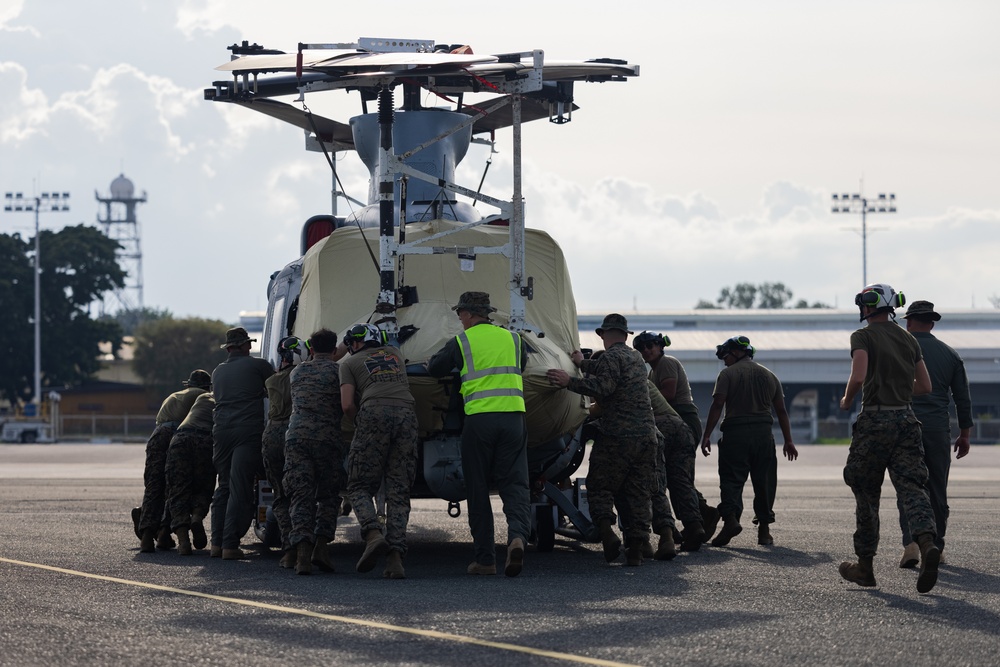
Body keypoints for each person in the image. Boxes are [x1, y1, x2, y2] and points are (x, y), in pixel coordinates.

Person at [837, 284, 939, 593]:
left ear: (868, 307)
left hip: (876, 420)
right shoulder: (907, 338)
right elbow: (925, 386)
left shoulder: (863, 336)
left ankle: (866, 567)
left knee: (866, 491)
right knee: (912, 487)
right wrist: (897, 389)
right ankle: (926, 543)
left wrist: (846, 400)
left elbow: (858, 375)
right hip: (907, 419)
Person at [427, 291, 529, 577]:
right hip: (514, 418)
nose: (459, 319)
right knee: (516, 484)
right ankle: (518, 537)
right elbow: (522, 366)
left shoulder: (462, 341)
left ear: (471, 314)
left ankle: (485, 560)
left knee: (478, 488)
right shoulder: (513, 339)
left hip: (479, 420)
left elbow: (436, 368)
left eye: (460, 314)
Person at [547, 313, 658, 567]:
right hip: (646, 436)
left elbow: (602, 387)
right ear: (625, 335)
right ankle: (636, 549)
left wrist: (569, 381)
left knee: (600, 487)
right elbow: (611, 371)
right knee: (638, 493)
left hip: (618, 437)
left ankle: (607, 534)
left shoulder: (610, 356)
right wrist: (583, 362)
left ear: (604, 334)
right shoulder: (636, 358)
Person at [896, 300, 973, 568]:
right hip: (937, 429)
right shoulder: (950, 355)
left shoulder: (898, 350)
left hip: (903, 425)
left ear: (908, 322)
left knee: (907, 486)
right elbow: (963, 400)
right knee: (937, 487)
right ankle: (936, 546)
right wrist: (964, 434)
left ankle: (911, 545)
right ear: (932, 322)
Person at [701, 335, 797, 548]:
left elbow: (717, 405)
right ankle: (764, 531)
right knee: (764, 482)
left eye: (726, 356)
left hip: (736, 434)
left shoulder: (726, 374)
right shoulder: (769, 375)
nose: (724, 361)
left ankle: (731, 521)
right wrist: (788, 440)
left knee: (731, 480)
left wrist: (707, 435)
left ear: (736, 353)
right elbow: (781, 410)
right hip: (764, 436)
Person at [341, 323, 419, 579]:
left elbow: (347, 405)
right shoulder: (394, 355)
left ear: (355, 343)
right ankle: (395, 559)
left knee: (358, 486)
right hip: (407, 413)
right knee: (399, 489)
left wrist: (359, 423)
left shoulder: (348, 364)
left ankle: (373, 533)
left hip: (373, 412)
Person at [633, 331, 720, 543]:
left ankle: (694, 524)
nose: (646, 350)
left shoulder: (666, 363)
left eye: (650, 345)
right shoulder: (653, 372)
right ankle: (702, 514)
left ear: (660, 346)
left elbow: (669, 394)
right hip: (676, 422)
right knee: (677, 476)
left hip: (681, 420)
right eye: (641, 348)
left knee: (676, 477)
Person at [284, 328, 346, 575]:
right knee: (328, 495)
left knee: (301, 495)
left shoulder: (297, 372)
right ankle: (321, 547)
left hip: (296, 438)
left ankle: (301, 557)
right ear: (334, 350)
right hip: (327, 439)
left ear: (310, 349)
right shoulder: (339, 372)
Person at [210, 327, 275, 560]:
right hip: (246, 431)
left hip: (221, 432)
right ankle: (230, 544)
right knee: (241, 488)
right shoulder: (259, 366)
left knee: (224, 486)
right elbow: (278, 386)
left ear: (228, 348)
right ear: (247, 346)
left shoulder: (217, 371)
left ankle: (216, 543)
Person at [136, 369, 211, 553]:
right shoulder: (204, 396)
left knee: (154, 486)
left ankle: (147, 536)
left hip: (158, 434)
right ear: (206, 386)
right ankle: (165, 532)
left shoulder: (173, 396)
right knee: (176, 485)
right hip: (180, 435)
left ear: (188, 384)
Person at [261, 336, 308, 569]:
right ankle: (304, 550)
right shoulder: (303, 377)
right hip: (295, 433)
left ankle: (288, 549)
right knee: (301, 495)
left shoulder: (271, 380)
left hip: (271, 435)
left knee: (280, 495)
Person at [165, 391, 216, 555]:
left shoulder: (202, 398)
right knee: (204, 485)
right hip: (205, 439)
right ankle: (197, 517)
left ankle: (183, 541)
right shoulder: (227, 401)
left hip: (181, 437)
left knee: (178, 490)